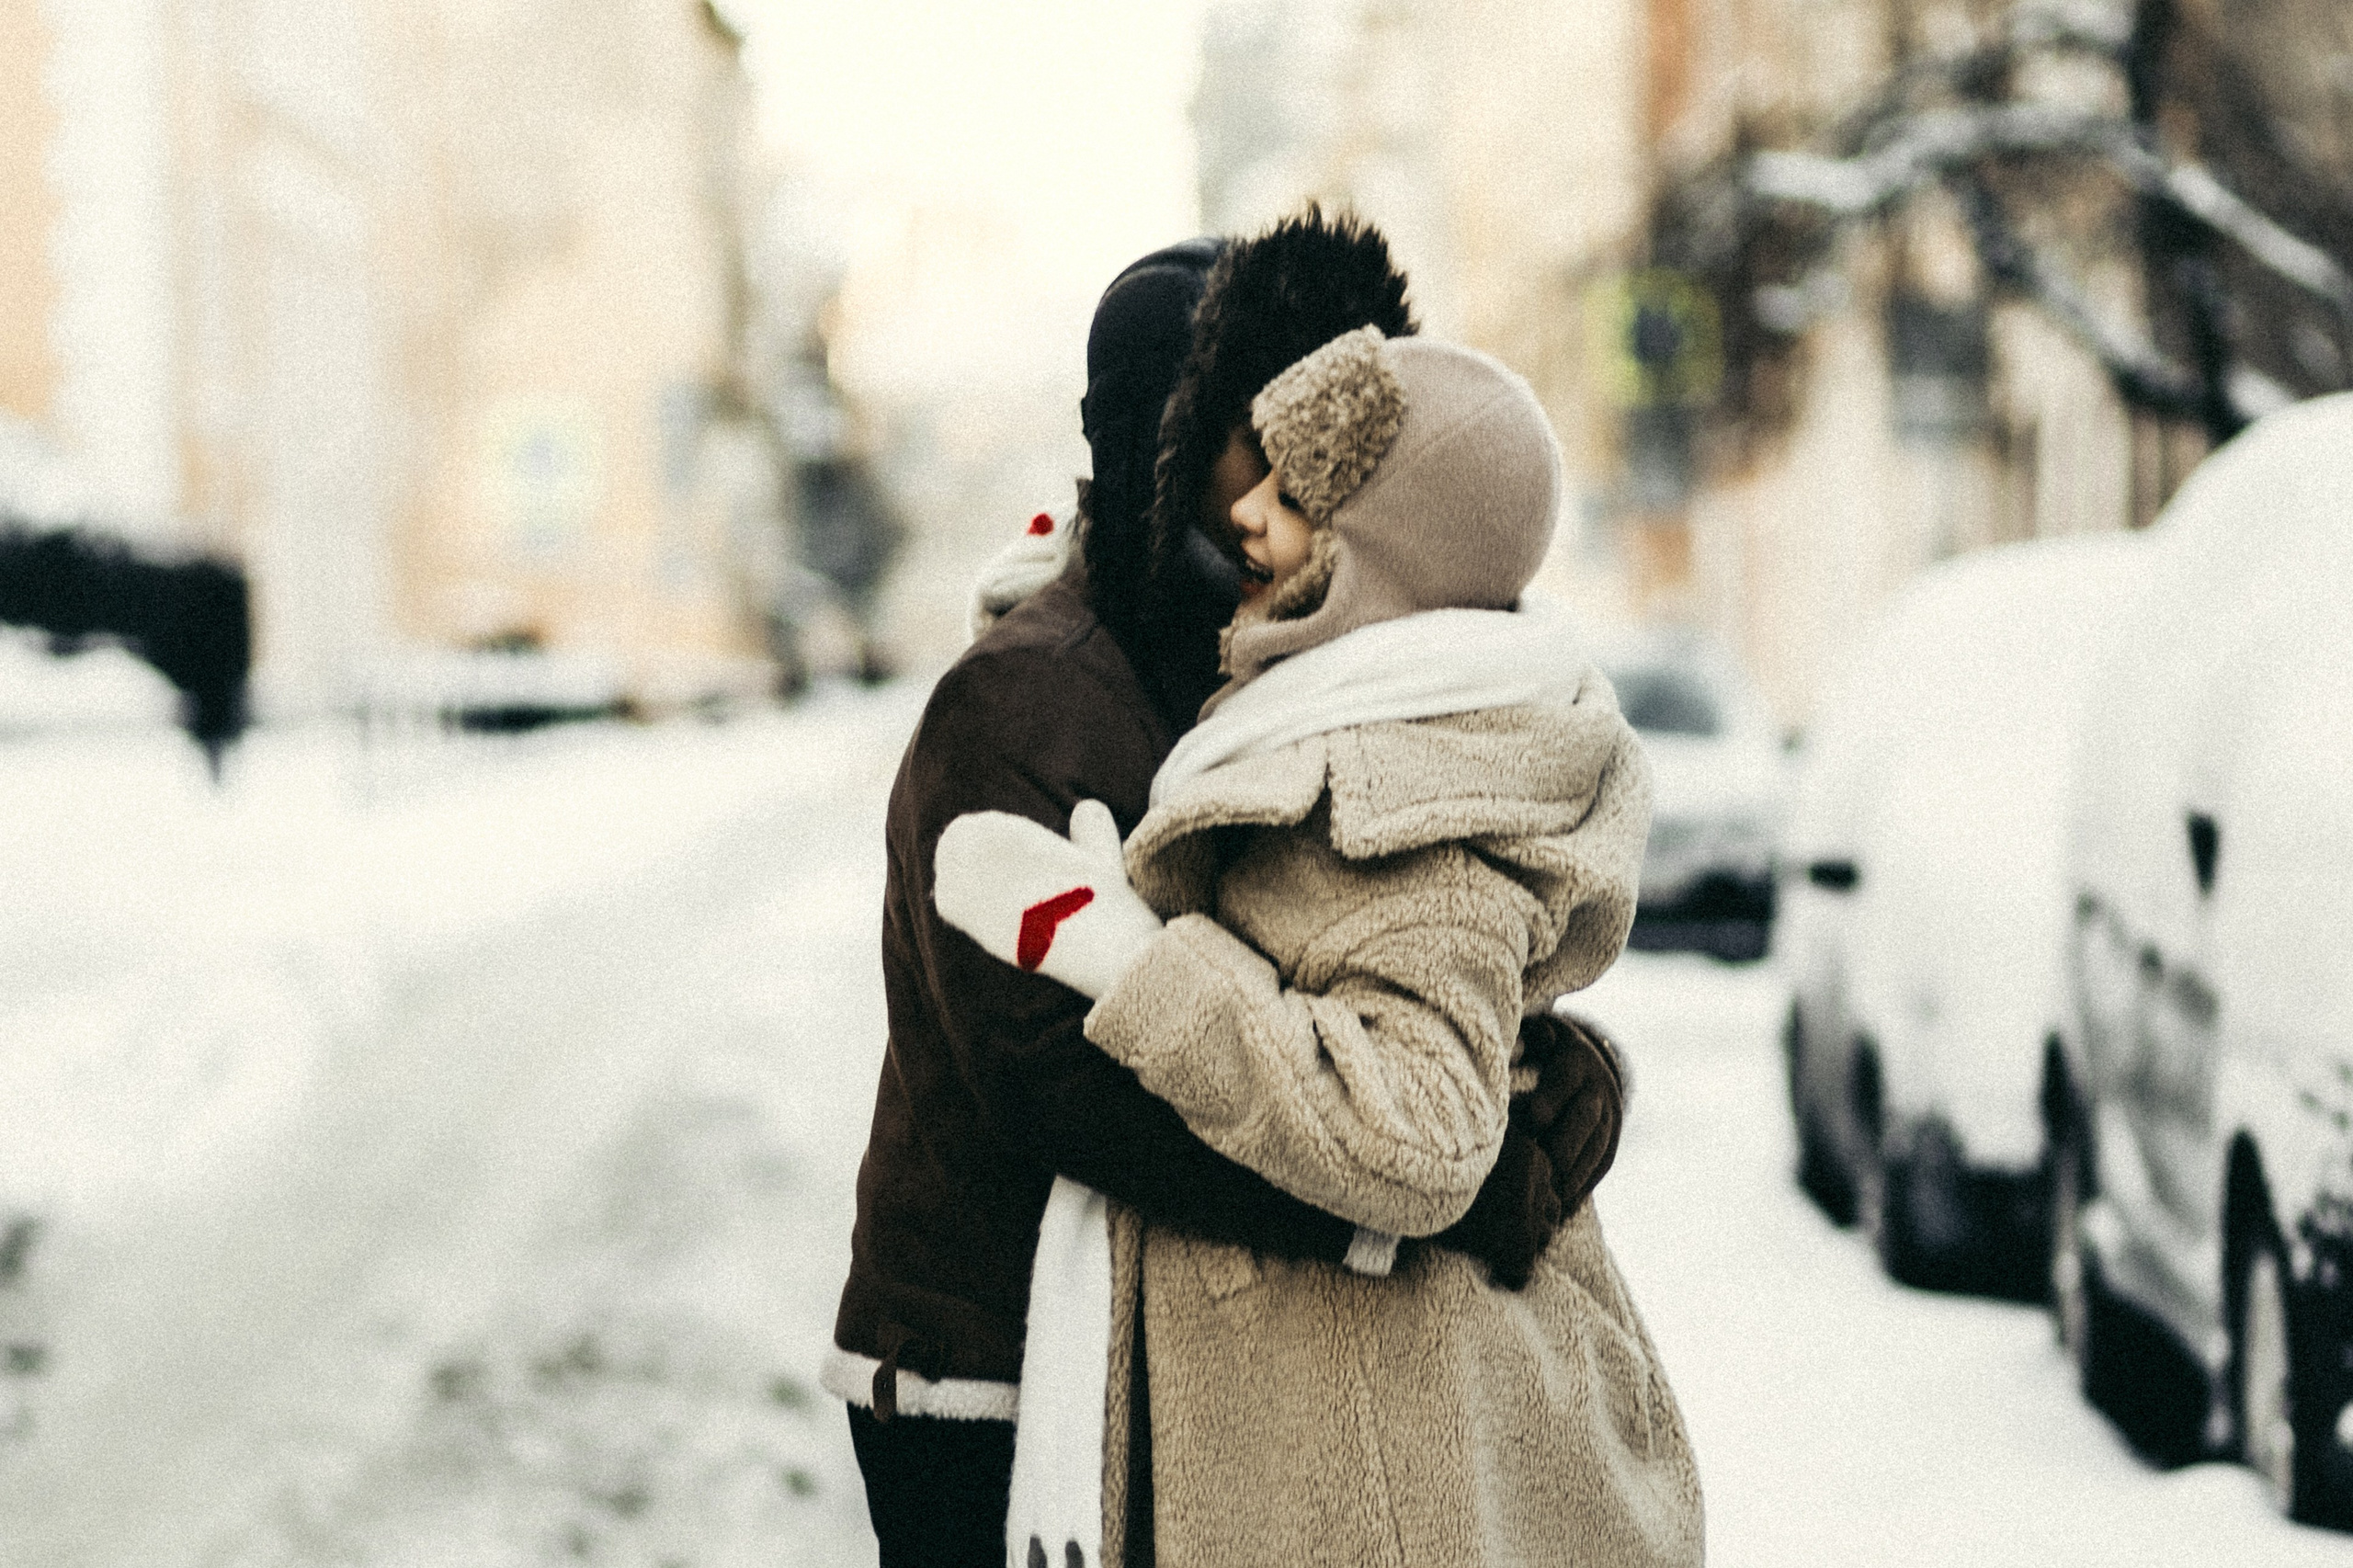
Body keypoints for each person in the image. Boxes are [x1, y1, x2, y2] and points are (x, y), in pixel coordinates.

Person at [824, 215, 1628, 1568]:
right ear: (1170, 446)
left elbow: (1331, 958)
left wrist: (1525, 1061)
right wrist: (1449, 1174)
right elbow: (1077, 1081)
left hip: (1161, 1365)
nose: (1299, 491)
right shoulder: (1031, 697)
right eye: (1272, 445)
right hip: (996, 1378)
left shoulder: (1254, 669)